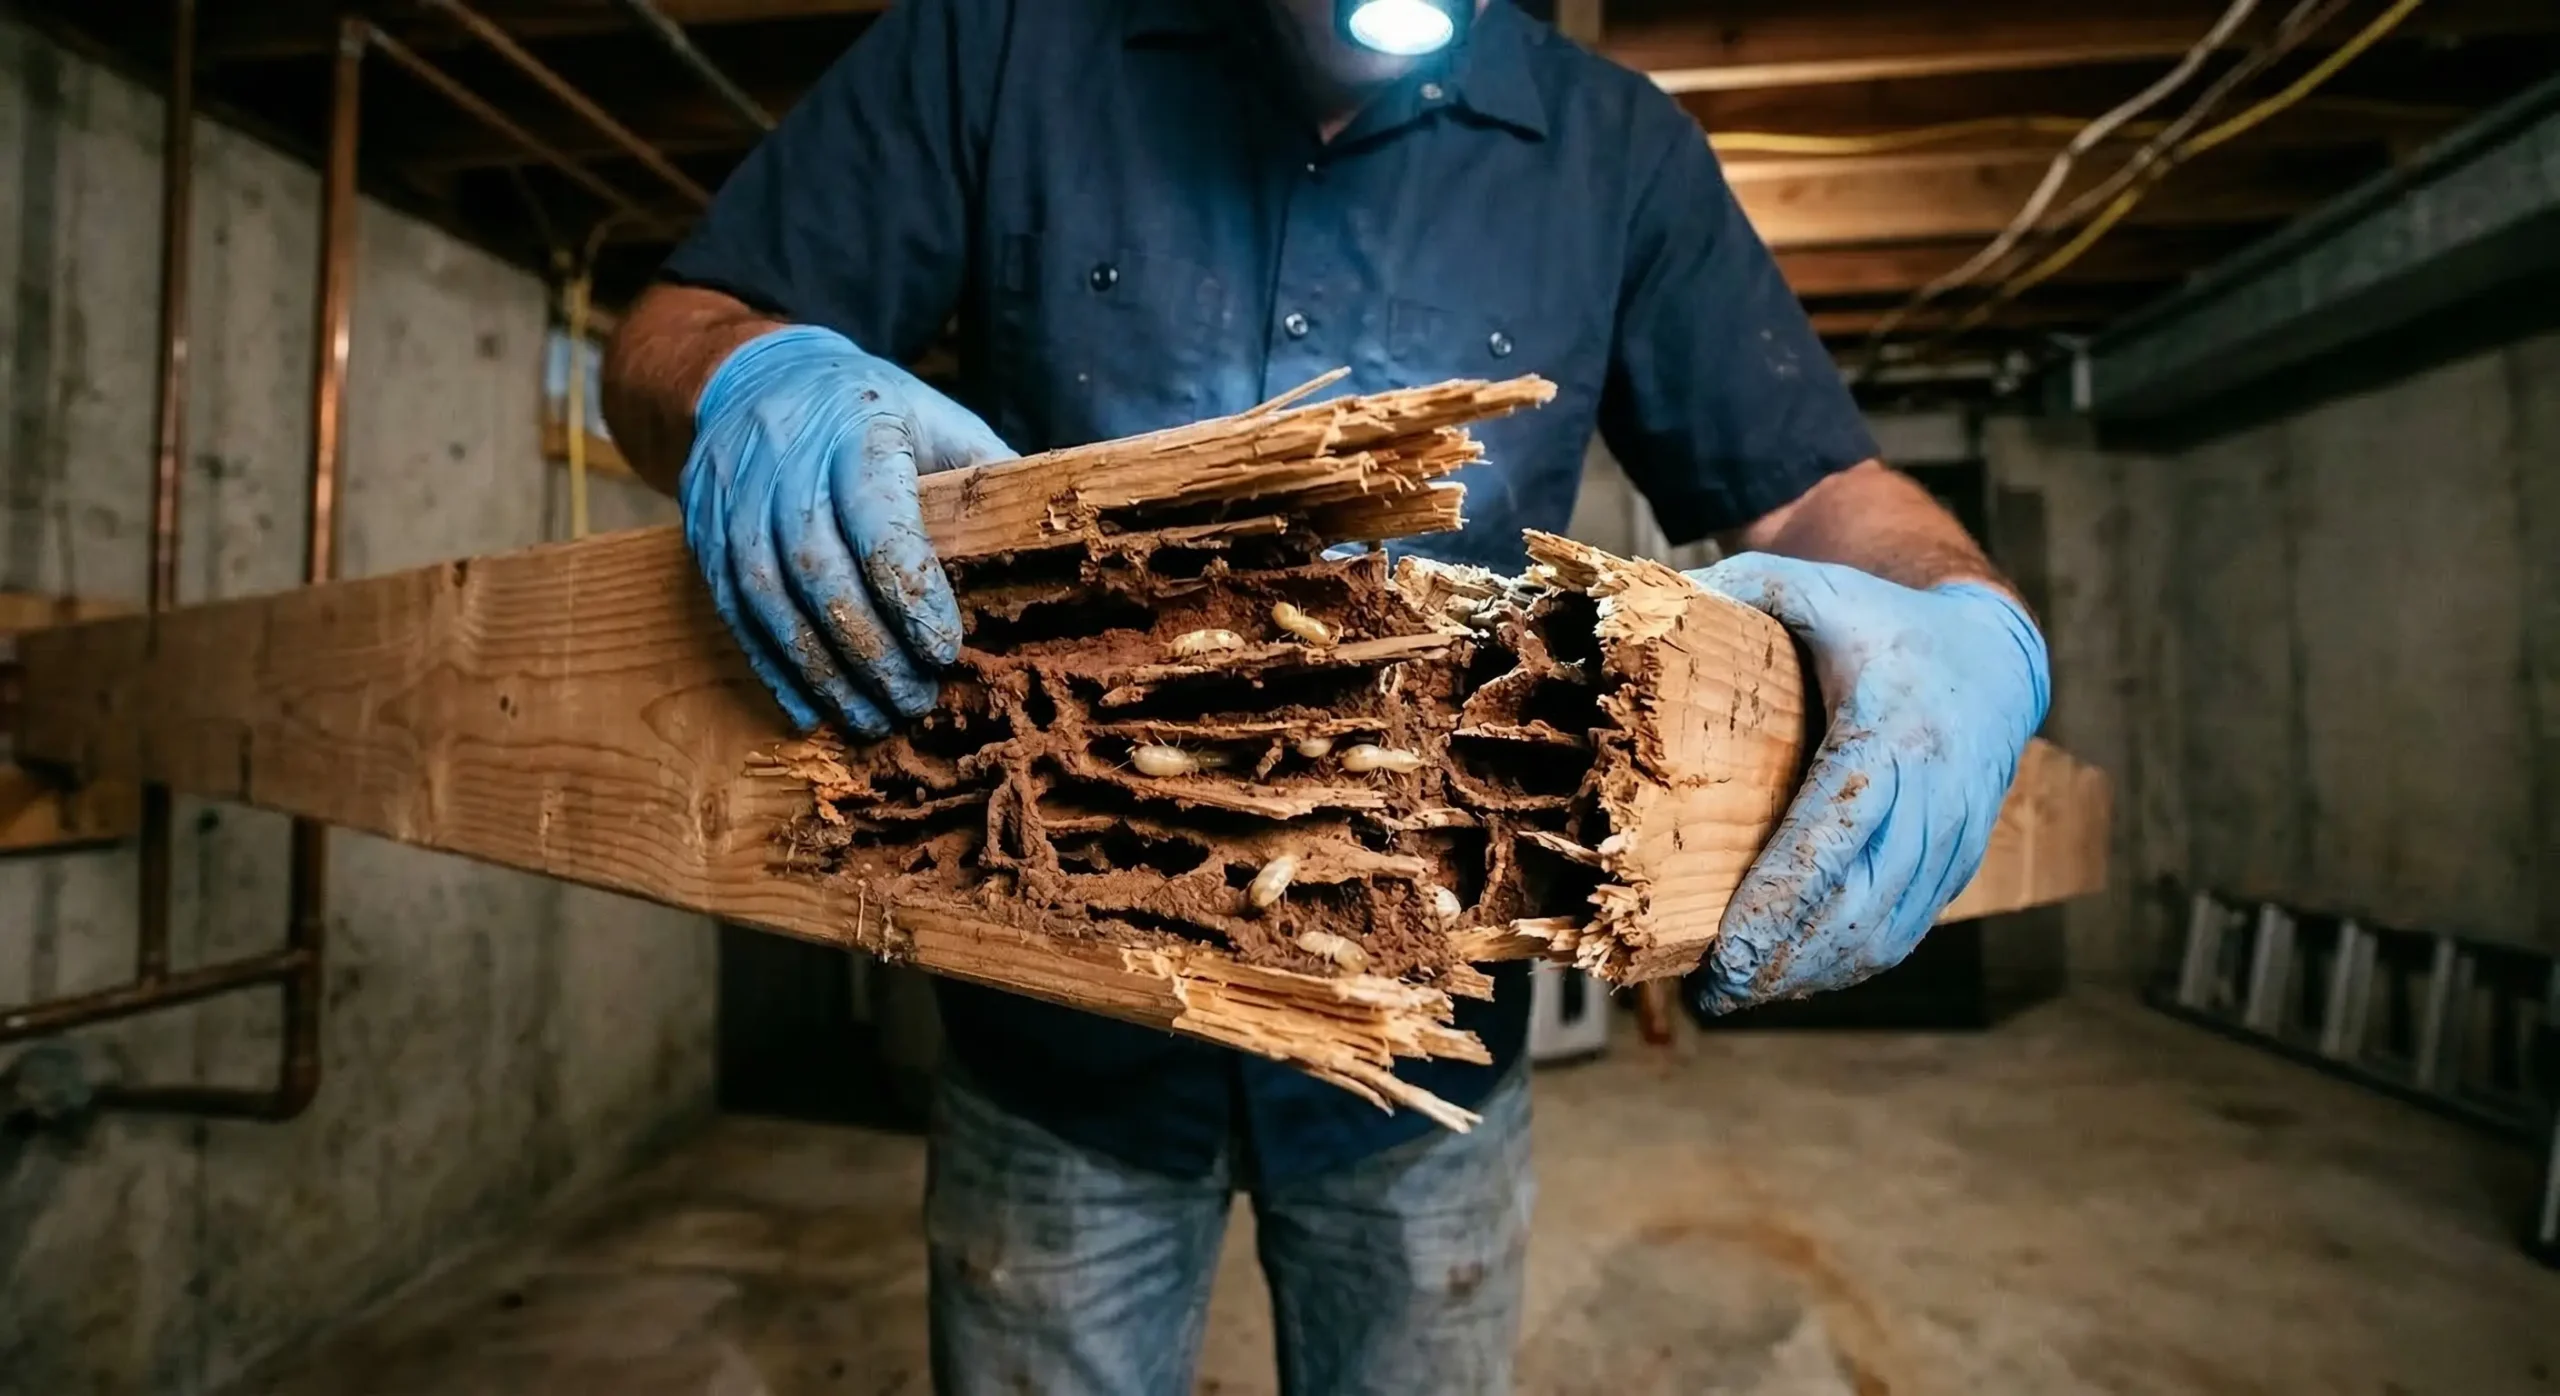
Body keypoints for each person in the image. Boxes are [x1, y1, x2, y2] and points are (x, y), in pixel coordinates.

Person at [600, 1, 2050, 1390]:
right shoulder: (1002, 40)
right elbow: (678, 327)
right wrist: (754, 375)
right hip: (1054, 1042)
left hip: (1426, 1060)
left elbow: (1817, 487)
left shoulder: (1616, 148)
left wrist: (1973, 624)